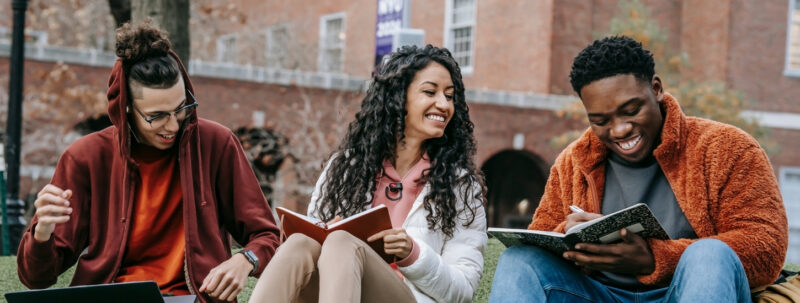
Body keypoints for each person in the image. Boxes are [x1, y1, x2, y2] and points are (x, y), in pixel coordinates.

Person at [489, 36, 788, 302]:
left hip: (683, 291)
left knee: (709, 255)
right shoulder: (573, 161)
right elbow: (542, 237)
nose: (619, 130)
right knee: (520, 260)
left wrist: (654, 260)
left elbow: (765, 247)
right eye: (601, 121)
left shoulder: (727, 148)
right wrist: (570, 236)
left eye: (631, 111)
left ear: (656, 89)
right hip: (597, 293)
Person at [16, 21, 281, 303]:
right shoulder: (85, 157)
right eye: (157, 115)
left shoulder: (217, 144)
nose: (174, 125)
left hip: (194, 299)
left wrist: (245, 259)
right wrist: (42, 232)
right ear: (126, 108)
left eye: (181, 108)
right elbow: (36, 278)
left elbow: (266, 235)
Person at [248, 45, 487, 303]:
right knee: (300, 244)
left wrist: (413, 254)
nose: (443, 104)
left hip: (407, 297)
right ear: (397, 97)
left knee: (342, 241)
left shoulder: (460, 186)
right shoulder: (345, 168)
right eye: (430, 92)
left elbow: (462, 291)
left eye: (450, 96)